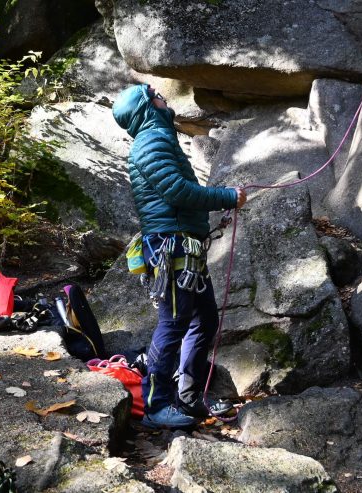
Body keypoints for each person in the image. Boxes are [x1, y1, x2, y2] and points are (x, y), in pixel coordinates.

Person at [112, 84, 247, 429]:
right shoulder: (151, 142)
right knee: (173, 323)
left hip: (185, 247)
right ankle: (156, 405)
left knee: (204, 320)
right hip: (171, 247)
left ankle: (189, 396)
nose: (162, 95)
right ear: (146, 106)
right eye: (153, 93)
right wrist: (226, 196)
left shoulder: (159, 137)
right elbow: (176, 190)